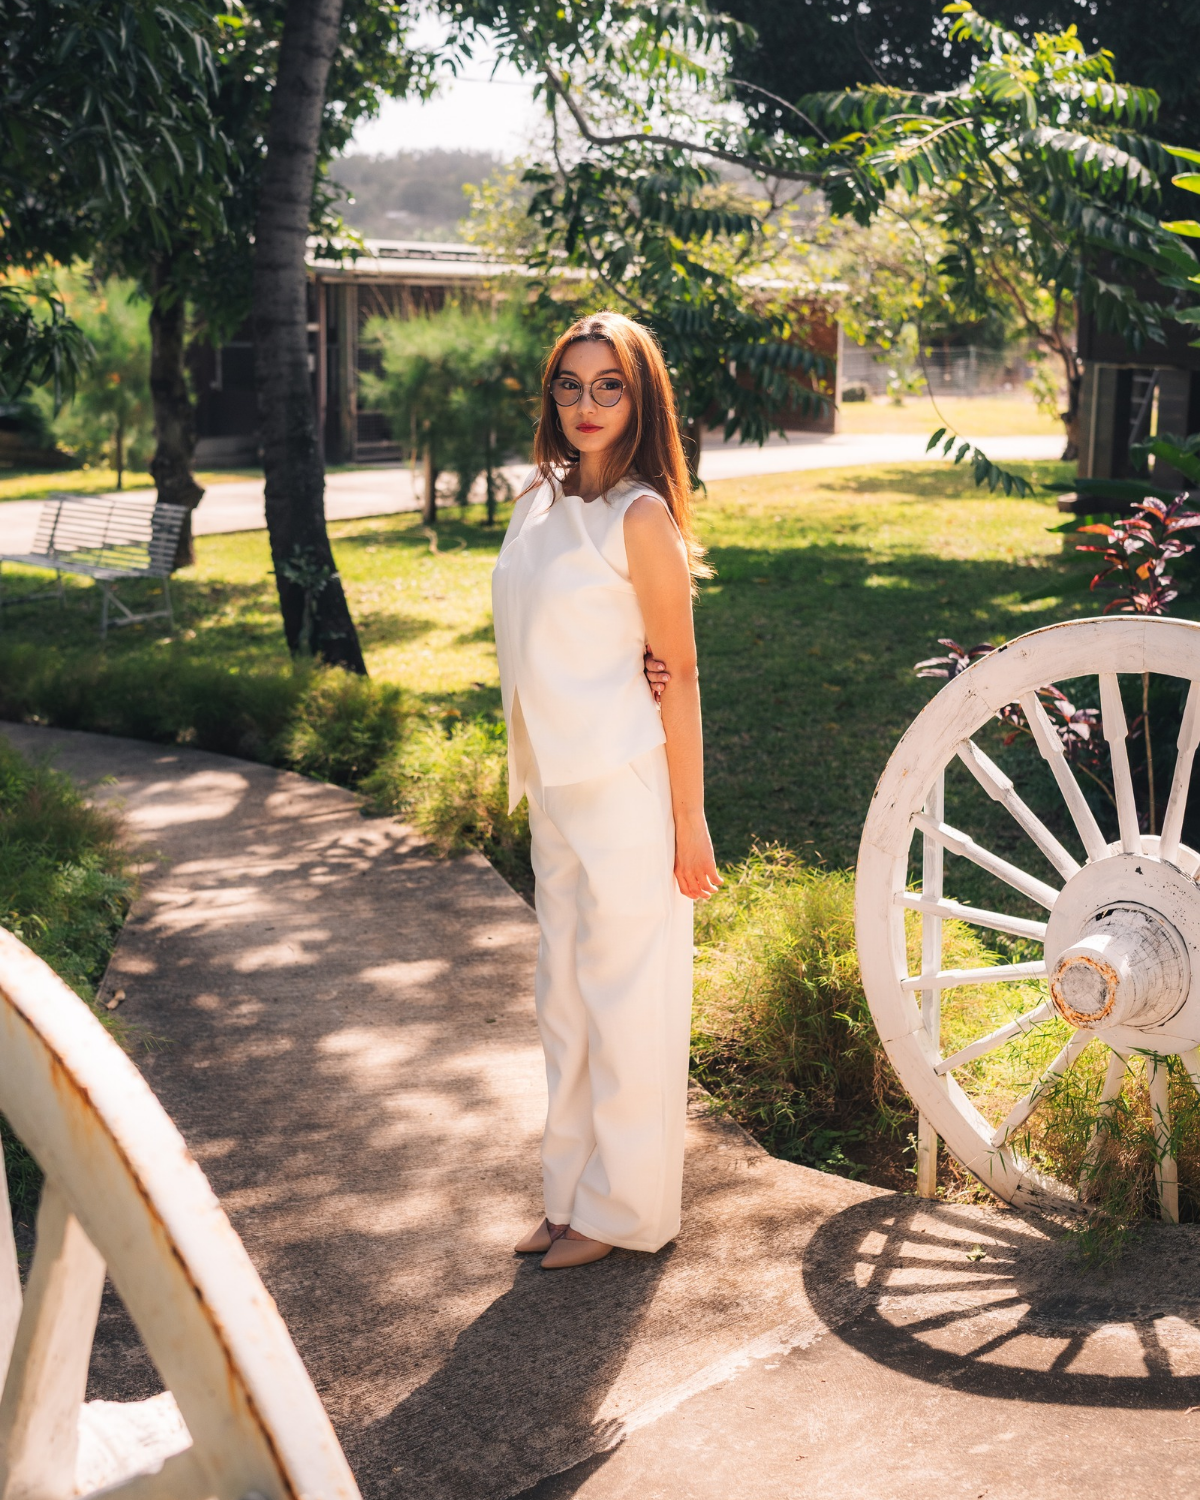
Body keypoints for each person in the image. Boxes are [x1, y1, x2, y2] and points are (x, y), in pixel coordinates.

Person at [492, 310, 721, 1271]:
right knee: (565, 1004)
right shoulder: (536, 501)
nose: (586, 405)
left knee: (627, 1005)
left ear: (640, 398)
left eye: (609, 386)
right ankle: (566, 1196)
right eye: (570, 385)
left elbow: (683, 671)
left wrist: (690, 821)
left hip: (625, 781)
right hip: (554, 784)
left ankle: (624, 1211)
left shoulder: (641, 517)